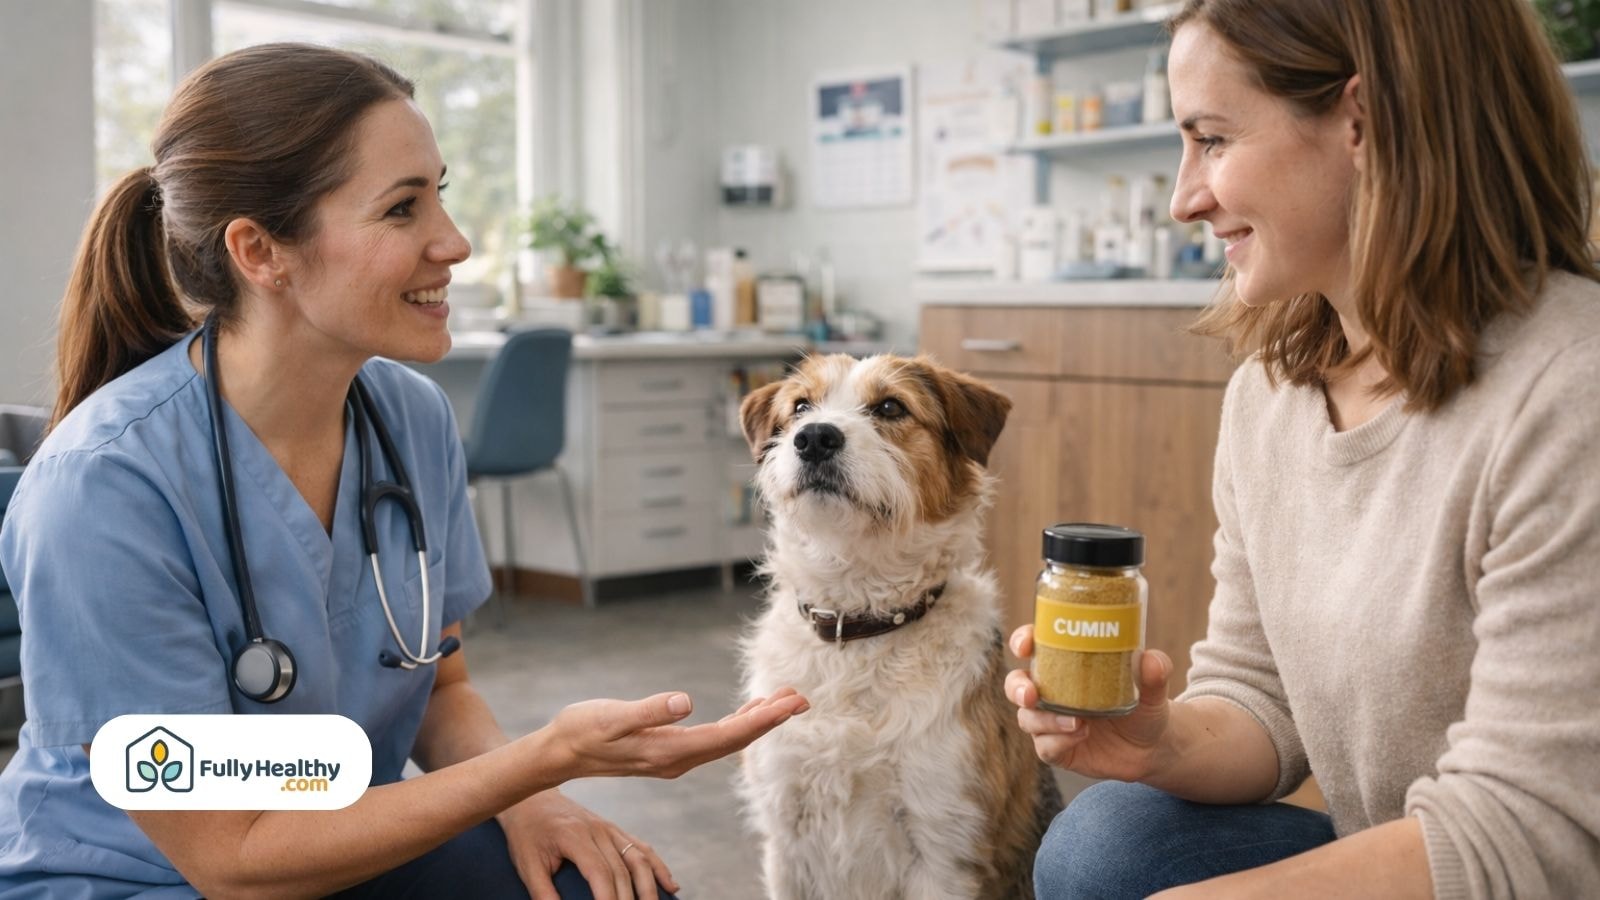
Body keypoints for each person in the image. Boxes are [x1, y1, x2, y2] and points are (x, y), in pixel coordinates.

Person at [0, 43, 808, 900]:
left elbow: (438, 684)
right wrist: (539, 761)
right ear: (260, 251)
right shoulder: (104, 486)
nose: (453, 243)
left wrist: (535, 801)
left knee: (604, 888)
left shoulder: (408, 419)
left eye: (441, 197)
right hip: (149, 879)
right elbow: (231, 858)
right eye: (401, 210)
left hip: (345, 835)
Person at [1006, 0, 1600, 897]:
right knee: (1108, 842)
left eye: (1211, 139)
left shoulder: (1569, 389)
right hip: (1431, 846)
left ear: (1360, 122)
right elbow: (1263, 698)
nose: (1182, 198)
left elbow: (1531, 833)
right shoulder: (1272, 398)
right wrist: (1156, 742)